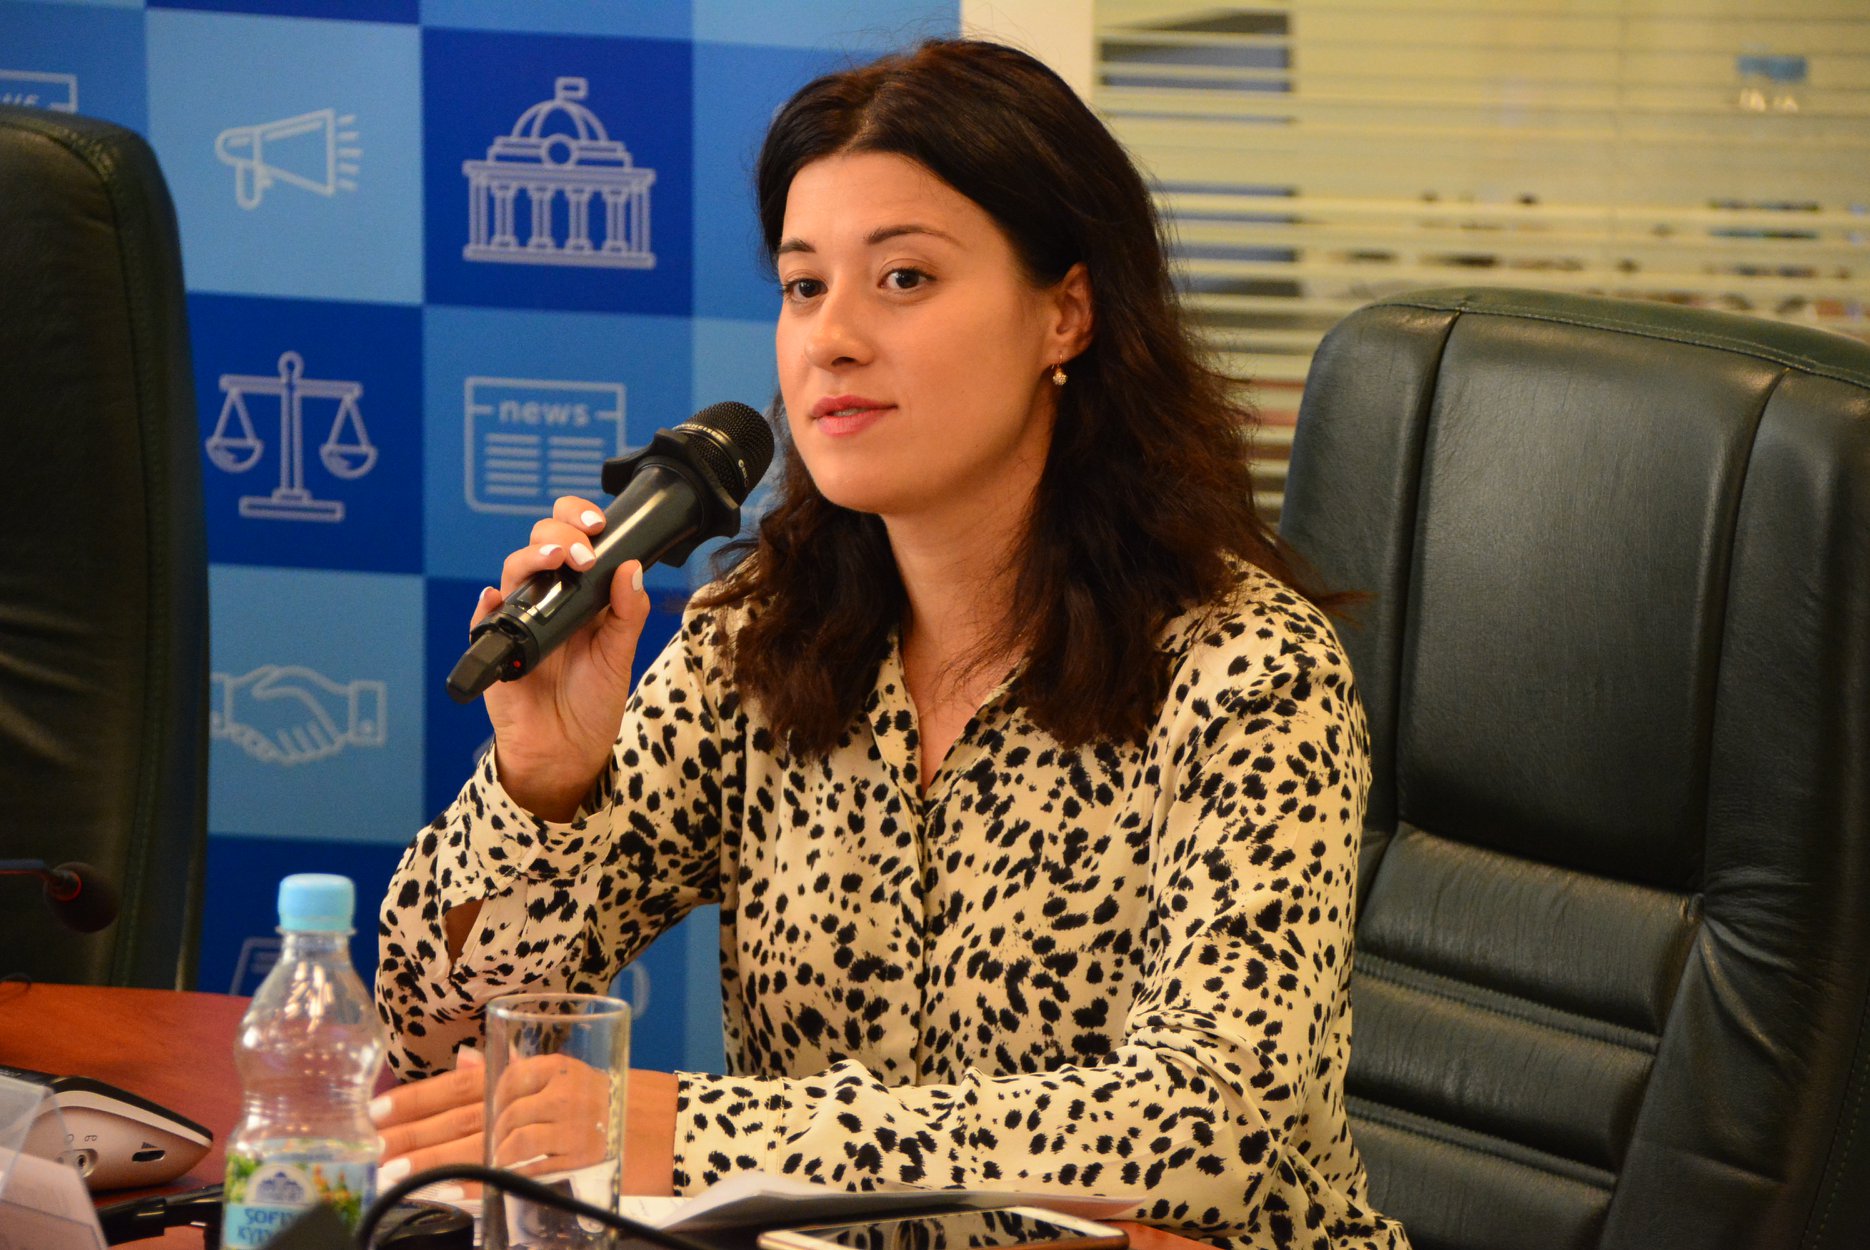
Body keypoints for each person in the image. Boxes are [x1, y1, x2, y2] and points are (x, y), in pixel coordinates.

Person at [371, 38, 1409, 1250]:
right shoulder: (758, 641)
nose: (832, 338)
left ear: (1066, 313)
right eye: (803, 285)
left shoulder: (1249, 670)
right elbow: (432, 1040)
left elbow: (1204, 1132)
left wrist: (700, 1134)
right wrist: (541, 787)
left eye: (904, 277)